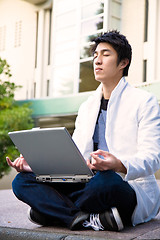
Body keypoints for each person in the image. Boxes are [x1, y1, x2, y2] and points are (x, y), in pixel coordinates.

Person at [7, 30, 160, 232]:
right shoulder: (87, 106)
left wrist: (119, 164)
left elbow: (153, 157)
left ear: (123, 62)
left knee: (106, 182)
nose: (97, 60)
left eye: (105, 54)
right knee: (22, 181)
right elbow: (74, 157)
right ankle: (85, 218)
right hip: (87, 181)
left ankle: (52, 210)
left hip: (124, 183)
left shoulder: (144, 101)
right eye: (95, 55)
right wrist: (38, 167)